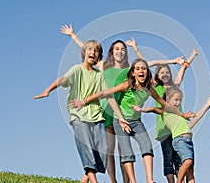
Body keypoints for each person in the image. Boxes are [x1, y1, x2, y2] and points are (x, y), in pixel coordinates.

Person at [61, 24, 185, 183]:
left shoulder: (129, 69)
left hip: (123, 112)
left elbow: (150, 63)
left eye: (123, 49)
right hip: (107, 110)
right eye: (116, 49)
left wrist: (173, 60)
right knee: (110, 150)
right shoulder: (104, 65)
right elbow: (88, 51)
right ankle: (113, 181)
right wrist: (73, 35)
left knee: (123, 149)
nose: (120, 51)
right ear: (111, 52)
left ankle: (127, 181)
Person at [70, 58, 195, 183]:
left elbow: (165, 104)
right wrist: (84, 101)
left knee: (147, 146)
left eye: (144, 69)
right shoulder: (127, 85)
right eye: (138, 69)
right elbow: (104, 93)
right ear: (133, 73)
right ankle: (133, 181)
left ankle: (149, 180)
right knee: (127, 152)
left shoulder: (149, 88)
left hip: (136, 121)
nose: (141, 71)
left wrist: (182, 114)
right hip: (120, 120)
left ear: (147, 72)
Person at [33, 40, 126, 183]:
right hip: (79, 115)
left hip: (96, 116)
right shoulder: (77, 69)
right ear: (84, 53)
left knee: (103, 150)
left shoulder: (98, 75)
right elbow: (63, 79)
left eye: (95, 51)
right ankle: (94, 181)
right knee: (87, 148)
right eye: (89, 49)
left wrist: (120, 117)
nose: (92, 52)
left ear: (98, 56)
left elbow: (109, 96)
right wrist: (48, 90)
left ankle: (84, 179)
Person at [132, 86, 195, 183]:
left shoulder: (178, 112)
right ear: (168, 99)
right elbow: (153, 109)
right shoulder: (165, 111)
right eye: (176, 100)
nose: (178, 103)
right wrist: (140, 109)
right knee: (188, 161)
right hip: (180, 139)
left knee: (190, 169)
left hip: (188, 141)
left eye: (180, 100)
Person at [153, 49, 198, 183]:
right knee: (168, 157)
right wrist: (137, 51)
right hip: (164, 129)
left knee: (180, 158)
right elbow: (144, 68)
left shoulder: (174, 87)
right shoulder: (156, 88)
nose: (165, 74)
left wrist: (192, 55)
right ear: (157, 76)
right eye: (162, 72)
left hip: (177, 130)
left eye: (167, 72)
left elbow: (183, 70)